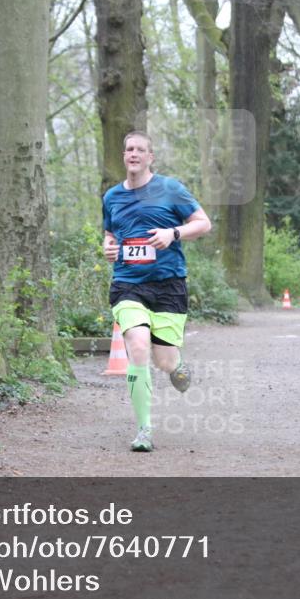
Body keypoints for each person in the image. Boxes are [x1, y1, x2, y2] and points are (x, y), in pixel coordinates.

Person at [102, 131, 212, 452]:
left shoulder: (170, 189)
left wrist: (172, 233)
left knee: (165, 361)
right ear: (124, 156)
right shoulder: (112, 196)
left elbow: (203, 223)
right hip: (127, 284)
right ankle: (144, 429)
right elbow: (110, 234)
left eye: (140, 150)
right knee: (138, 345)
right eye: (129, 149)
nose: (134, 154)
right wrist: (108, 247)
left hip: (168, 285)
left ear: (150, 157)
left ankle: (176, 366)